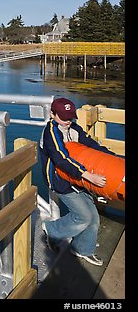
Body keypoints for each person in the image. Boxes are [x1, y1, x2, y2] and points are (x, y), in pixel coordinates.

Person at [39, 97, 115, 266]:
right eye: (63, 117)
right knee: (83, 217)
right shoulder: (51, 132)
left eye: (70, 117)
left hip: (77, 179)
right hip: (60, 181)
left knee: (93, 217)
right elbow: (61, 158)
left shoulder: (73, 128)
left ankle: (82, 248)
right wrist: (88, 175)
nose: (67, 121)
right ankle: (52, 230)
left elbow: (91, 145)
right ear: (52, 114)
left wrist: (113, 158)